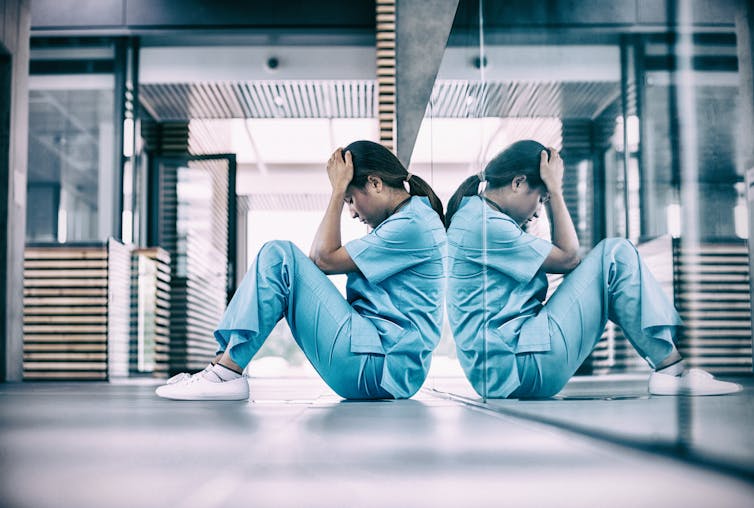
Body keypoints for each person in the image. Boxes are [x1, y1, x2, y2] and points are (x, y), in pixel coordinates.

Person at [445, 139, 742, 398]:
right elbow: (568, 257)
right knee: (616, 254)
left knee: (608, 264)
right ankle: (673, 372)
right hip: (521, 366)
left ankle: (670, 366)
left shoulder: (477, 218)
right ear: (519, 182)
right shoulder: (485, 225)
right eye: (540, 199)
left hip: (507, 369)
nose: (538, 211)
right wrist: (557, 192)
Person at [156, 140, 447, 401]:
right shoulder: (407, 221)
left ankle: (224, 374)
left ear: (375, 183)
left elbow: (322, 258)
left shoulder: (412, 225)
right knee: (280, 256)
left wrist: (335, 192)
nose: (353, 212)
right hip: (378, 363)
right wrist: (341, 192)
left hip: (378, 366)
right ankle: (222, 368)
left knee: (279, 255)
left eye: (350, 200)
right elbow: (322, 258)